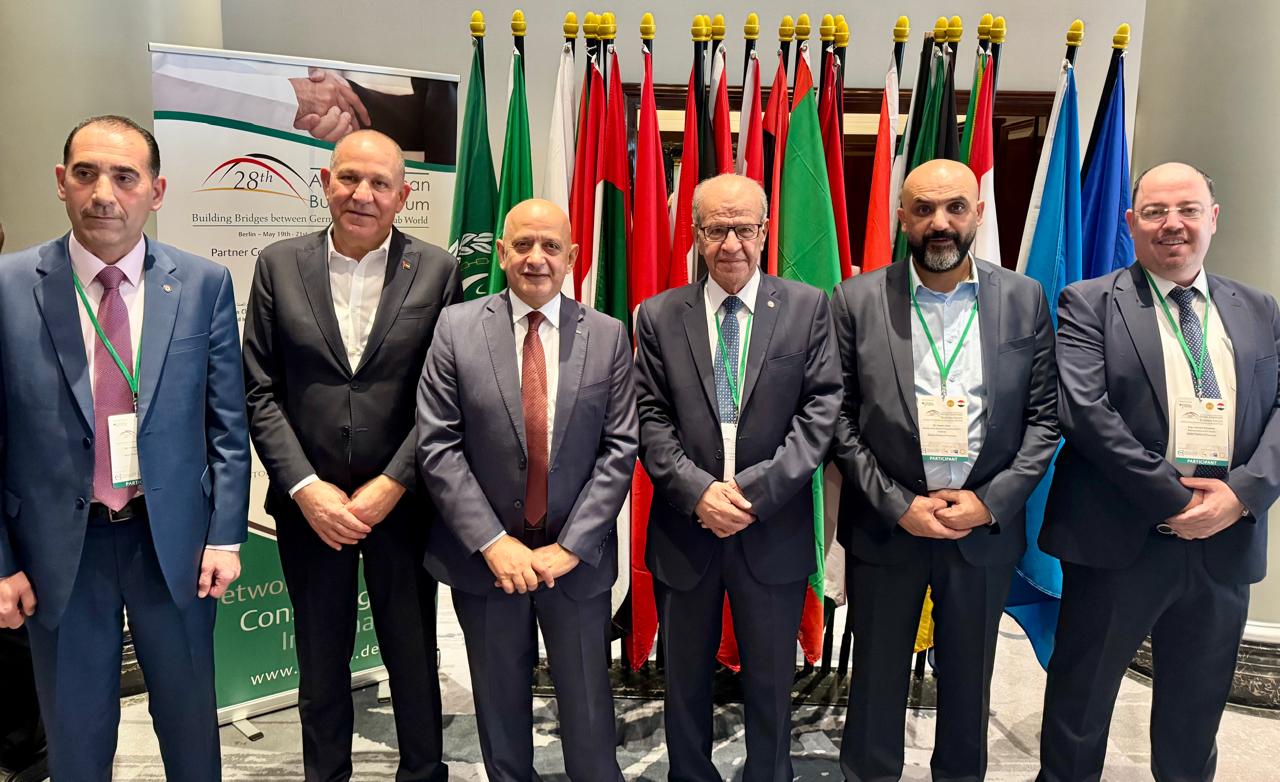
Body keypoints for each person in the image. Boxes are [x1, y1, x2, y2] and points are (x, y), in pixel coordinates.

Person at [0, 115, 249, 781]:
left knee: (191, 732)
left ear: (156, 191)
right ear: (62, 182)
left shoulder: (202, 284)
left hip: (173, 545)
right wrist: (2, 563)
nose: (103, 193)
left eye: (124, 176)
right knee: (76, 740)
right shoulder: (9, 286)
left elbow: (227, 425)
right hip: (59, 552)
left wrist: (226, 537)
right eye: (86, 174)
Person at [1037, 162, 1280, 781]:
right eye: (1154, 211)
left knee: (1194, 716)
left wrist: (1239, 496)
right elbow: (1085, 413)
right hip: (1119, 540)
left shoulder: (1259, 308)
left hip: (1224, 543)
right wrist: (1175, 500)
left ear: (1212, 218)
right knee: (1080, 708)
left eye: (1188, 209)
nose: (1173, 223)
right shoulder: (1089, 303)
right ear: (1131, 222)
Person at [830, 159, 1058, 781]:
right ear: (902, 218)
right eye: (924, 209)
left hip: (980, 530)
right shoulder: (855, 300)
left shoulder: (1024, 299)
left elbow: (1044, 420)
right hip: (888, 527)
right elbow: (839, 421)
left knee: (968, 684)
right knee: (875, 683)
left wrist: (990, 502)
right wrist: (898, 504)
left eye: (955, 207)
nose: (940, 222)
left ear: (977, 214)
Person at [243, 129, 458, 782]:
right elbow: (259, 389)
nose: (362, 194)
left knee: (413, 655)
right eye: (349, 178)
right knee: (320, 659)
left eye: (379, 183)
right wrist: (305, 487)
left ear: (403, 196)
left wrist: (394, 482)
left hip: (403, 504)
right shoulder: (278, 264)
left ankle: (423, 773)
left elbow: (445, 394)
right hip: (311, 509)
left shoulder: (438, 269)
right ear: (325, 182)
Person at [417, 198, 636, 781]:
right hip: (486, 563)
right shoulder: (456, 328)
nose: (536, 258)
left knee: (589, 710)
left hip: (575, 564)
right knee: (499, 708)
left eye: (551, 246)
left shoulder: (609, 335)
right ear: (500, 252)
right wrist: (493, 542)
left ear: (573, 257)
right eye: (522, 245)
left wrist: (572, 546)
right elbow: (437, 444)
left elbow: (619, 449)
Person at [634, 173, 842, 782]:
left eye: (744, 228)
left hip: (771, 529)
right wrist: (699, 492)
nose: (731, 244)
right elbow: (648, 416)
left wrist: (751, 494)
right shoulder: (658, 315)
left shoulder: (807, 307)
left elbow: (821, 411)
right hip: (686, 530)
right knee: (684, 684)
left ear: (765, 231)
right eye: (716, 229)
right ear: (696, 233)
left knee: (772, 686)